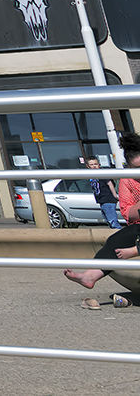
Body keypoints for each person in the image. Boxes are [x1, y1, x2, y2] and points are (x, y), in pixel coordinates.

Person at [64, 130, 140, 308]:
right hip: (138, 226)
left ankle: (134, 250)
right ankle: (90, 276)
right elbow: (129, 215)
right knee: (115, 239)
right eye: (135, 168)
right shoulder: (127, 180)